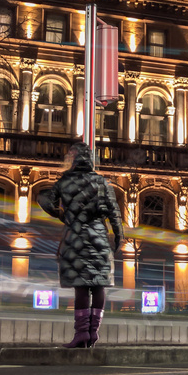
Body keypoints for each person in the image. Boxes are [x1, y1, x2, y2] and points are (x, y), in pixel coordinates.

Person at [38, 143, 123, 348]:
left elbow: (44, 199)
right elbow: (114, 212)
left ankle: (81, 332)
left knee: (81, 287)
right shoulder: (102, 182)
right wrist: (118, 235)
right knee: (99, 285)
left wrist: (60, 214)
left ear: (74, 159)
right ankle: (94, 332)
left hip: (75, 236)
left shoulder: (65, 181)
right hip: (98, 237)